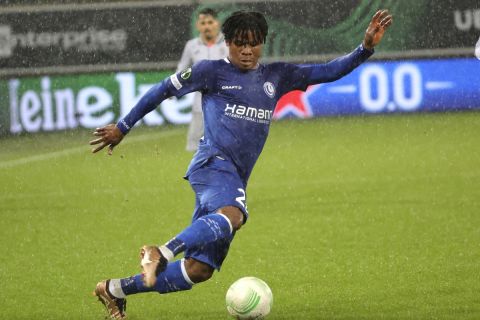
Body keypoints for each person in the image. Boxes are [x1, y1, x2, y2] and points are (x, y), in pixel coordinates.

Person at [90, 9, 393, 319]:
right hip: (211, 164)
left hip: (234, 176)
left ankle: (114, 290)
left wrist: (365, 48)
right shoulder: (211, 71)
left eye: (254, 44)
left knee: (199, 270)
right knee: (234, 215)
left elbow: (328, 71)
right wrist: (123, 126)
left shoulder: (278, 77)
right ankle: (161, 252)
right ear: (228, 43)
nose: (247, 51)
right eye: (239, 44)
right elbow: (162, 90)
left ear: (262, 43)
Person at [178, 8, 228, 151]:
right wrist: (171, 87)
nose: (207, 26)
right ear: (198, 26)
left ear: (217, 24)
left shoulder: (229, 43)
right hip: (201, 99)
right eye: (203, 23)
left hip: (225, 98)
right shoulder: (191, 45)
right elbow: (182, 69)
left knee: (227, 140)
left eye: (210, 22)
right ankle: (196, 170)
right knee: (194, 142)